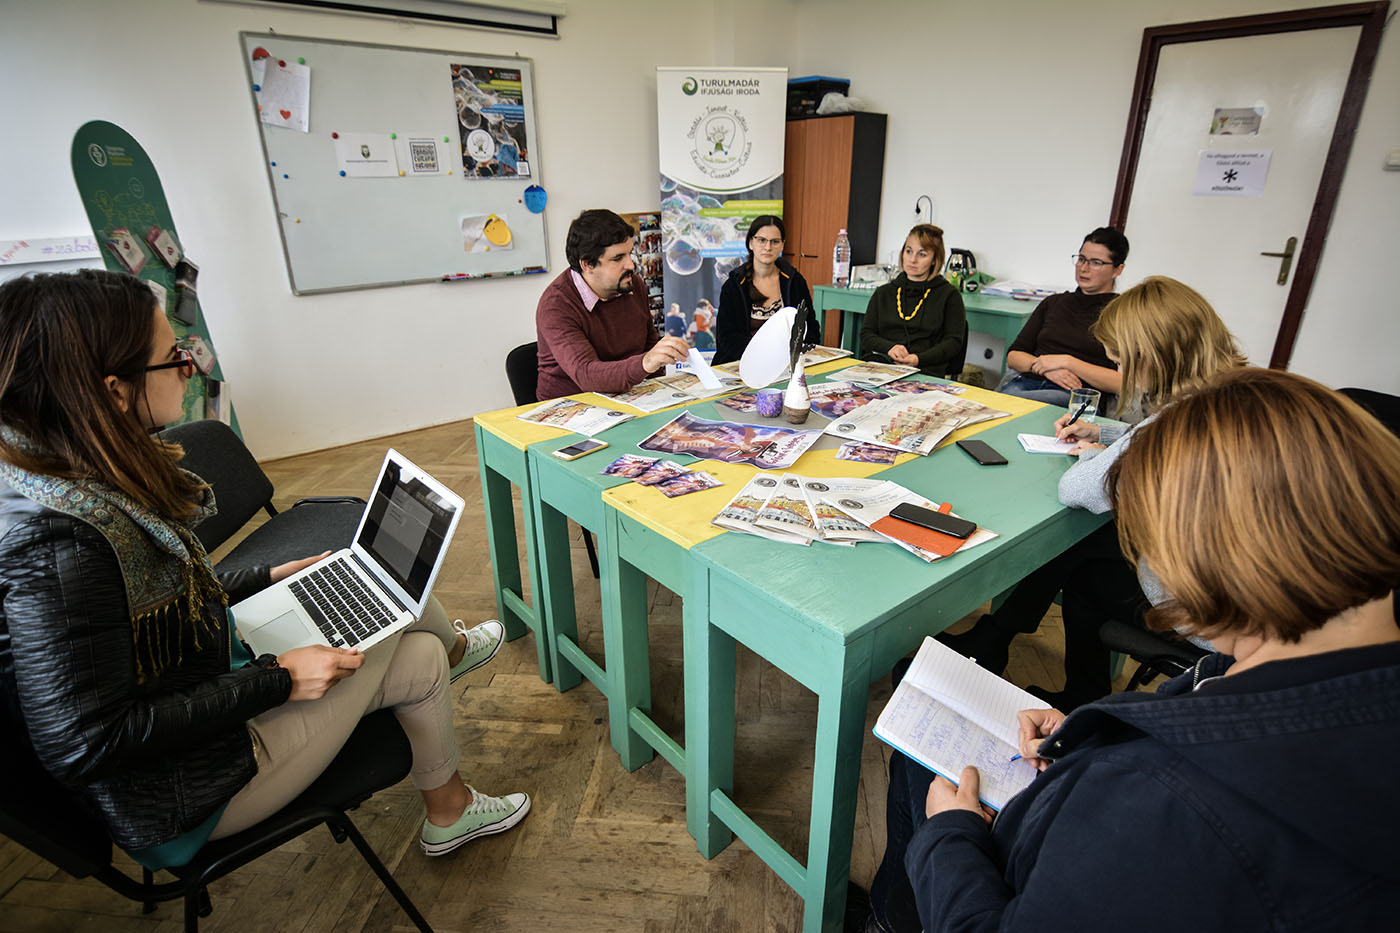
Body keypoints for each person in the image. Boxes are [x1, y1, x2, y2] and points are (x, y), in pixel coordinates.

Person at [0, 270, 529, 871]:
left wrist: (266, 576)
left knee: (393, 615)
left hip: (205, 682)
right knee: (389, 594)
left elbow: (153, 600)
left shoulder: (63, 475)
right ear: (115, 392)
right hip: (184, 795)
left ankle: (450, 803)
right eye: (174, 357)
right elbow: (86, 742)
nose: (190, 369)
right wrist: (278, 680)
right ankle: (454, 693)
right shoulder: (59, 543)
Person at [870, 368, 1400, 932]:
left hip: (1007, 874)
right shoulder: (1324, 676)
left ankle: (889, 918)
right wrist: (1093, 732)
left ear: (1206, 559)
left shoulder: (1163, 803)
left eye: (1146, 541)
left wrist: (949, 835)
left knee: (921, 766)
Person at [940, 277, 1245, 710]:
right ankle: (1031, 663)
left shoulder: (1170, 425)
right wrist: (1105, 435)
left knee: (1081, 548)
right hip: (1238, 589)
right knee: (1087, 553)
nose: (1121, 372)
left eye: (1121, 361)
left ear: (1151, 357)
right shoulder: (1229, 397)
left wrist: (1092, 455)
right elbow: (1145, 440)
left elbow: (1076, 489)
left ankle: (1001, 645)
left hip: (1205, 613)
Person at [535, 209, 690, 399]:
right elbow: (586, 374)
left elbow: (649, 345)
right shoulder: (556, 305)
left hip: (630, 396)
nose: (631, 265)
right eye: (618, 258)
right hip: (574, 403)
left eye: (629, 253)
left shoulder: (633, 284)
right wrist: (645, 362)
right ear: (587, 265)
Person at [998, 227, 1129, 406]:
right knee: (998, 404)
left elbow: (1121, 383)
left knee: (1010, 404)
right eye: (1081, 259)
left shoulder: (1121, 313)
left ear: (1117, 270)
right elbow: (1014, 356)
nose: (1084, 268)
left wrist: (1068, 362)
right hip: (1026, 383)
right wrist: (1046, 369)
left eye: (1096, 262)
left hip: (1075, 396)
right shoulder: (1053, 302)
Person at [859, 224, 965, 378]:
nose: (912, 259)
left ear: (935, 259)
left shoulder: (949, 295)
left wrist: (918, 359)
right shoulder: (884, 292)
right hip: (882, 368)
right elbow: (866, 335)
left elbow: (953, 342)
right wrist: (889, 348)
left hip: (926, 372)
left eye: (922, 254)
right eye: (909, 251)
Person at [713, 215, 816, 365]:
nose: (768, 247)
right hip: (742, 362)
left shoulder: (794, 281)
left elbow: (810, 327)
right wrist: (762, 356)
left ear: (782, 245)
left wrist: (796, 354)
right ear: (751, 243)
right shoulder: (734, 285)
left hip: (786, 363)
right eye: (762, 240)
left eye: (775, 241)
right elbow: (726, 337)